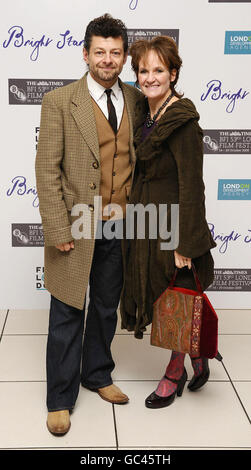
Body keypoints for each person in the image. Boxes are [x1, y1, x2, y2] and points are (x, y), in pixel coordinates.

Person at [35, 13, 141, 435]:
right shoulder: (60, 100)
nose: (108, 60)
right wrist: (59, 229)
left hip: (120, 223)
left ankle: (97, 372)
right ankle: (60, 397)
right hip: (76, 225)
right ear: (86, 53)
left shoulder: (134, 98)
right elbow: (47, 171)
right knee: (67, 309)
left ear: (124, 56)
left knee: (103, 307)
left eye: (116, 53)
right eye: (100, 52)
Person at [120, 36, 217, 409]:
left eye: (159, 70)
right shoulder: (148, 114)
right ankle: (197, 358)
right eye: (143, 70)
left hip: (173, 228)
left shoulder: (183, 122)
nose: (150, 77)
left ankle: (174, 372)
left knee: (172, 300)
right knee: (167, 299)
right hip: (148, 223)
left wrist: (185, 245)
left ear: (173, 73)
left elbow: (193, 186)